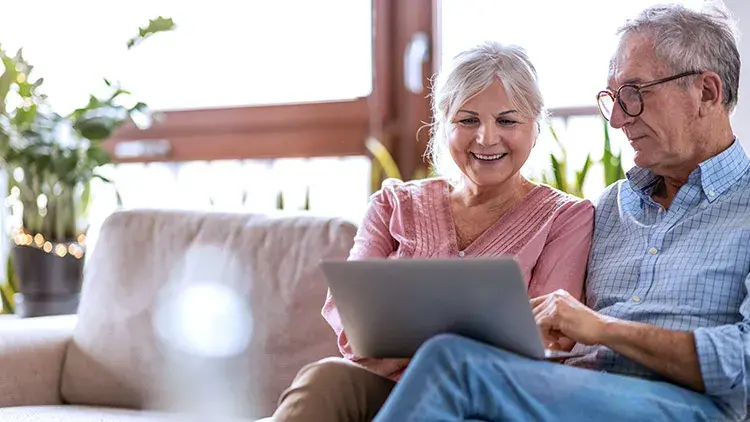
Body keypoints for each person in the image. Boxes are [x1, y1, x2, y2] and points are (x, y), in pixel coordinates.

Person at [371, 2, 750, 421]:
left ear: (707, 92)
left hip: (689, 406)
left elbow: (745, 361)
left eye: (634, 94)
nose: (618, 120)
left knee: (454, 365)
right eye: (613, 98)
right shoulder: (608, 207)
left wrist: (601, 329)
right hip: (573, 393)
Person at [271, 42, 595, 422]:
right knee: (326, 377)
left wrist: (414, 345)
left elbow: (546, 341)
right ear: (444, 125)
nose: (487, 138)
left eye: (507, 121)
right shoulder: (393, 203)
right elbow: (354, 324)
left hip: (482, 402)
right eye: (468, 120)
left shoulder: (566, 217)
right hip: (387, 390)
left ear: (536, 128)